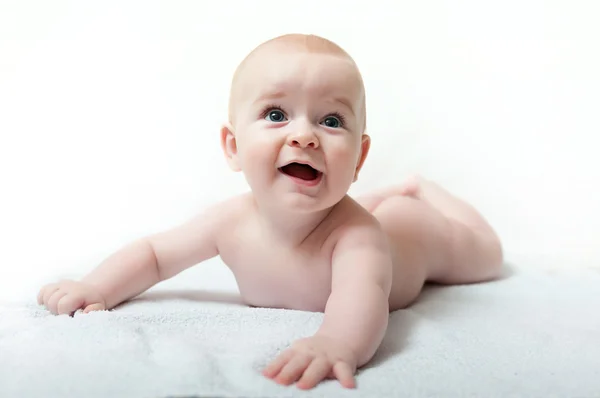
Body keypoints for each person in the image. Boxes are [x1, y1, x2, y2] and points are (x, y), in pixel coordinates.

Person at [37, 33, 503, 390]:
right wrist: (95, 286)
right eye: (277, 114)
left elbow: (361, 297)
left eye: (331, 120)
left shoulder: (358, 237)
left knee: (484, 256)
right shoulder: (229, 222)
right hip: (379, 217)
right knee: (381, 211)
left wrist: (338, 341)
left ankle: (417, 190)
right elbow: (155, 255)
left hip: (413, 236)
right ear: (233, 146)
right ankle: (393, 193)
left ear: (358, 160)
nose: (304, 136)